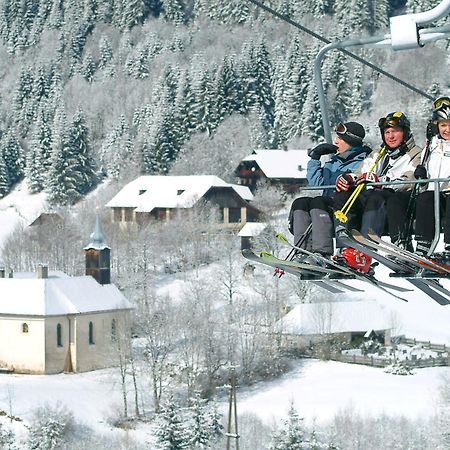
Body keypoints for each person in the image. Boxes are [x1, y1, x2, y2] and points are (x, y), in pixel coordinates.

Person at [334, 112, 421, 247]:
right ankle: (345, 248)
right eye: (387, 132)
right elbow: (361, 171)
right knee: (342, 195)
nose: (390, 136)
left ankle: (366, 248)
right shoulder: (379, 152)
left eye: (395, 131)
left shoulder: (416, 153)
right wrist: (349, 178)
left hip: (395, 203)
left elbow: (408, 181)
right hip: (371, 200)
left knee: (377, 196)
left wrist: (379, 181)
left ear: (405, 132)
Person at [288, 121, 371, 257]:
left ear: (350, 141)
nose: (336, 141)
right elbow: (316, 182)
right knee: (300, 203)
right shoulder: (334, 162)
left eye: (340, 138)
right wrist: (315, 158)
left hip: (347, 209)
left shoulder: (364, 161)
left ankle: (323, 251)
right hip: (327, 206)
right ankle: (302, 251)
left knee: (319, 202)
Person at [413, 96, 450, 258]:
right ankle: (423, 246)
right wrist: (420, 171)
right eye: (443, 125)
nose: (447, 129)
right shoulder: (431, 145)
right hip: (436, 194)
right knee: (425, 198)